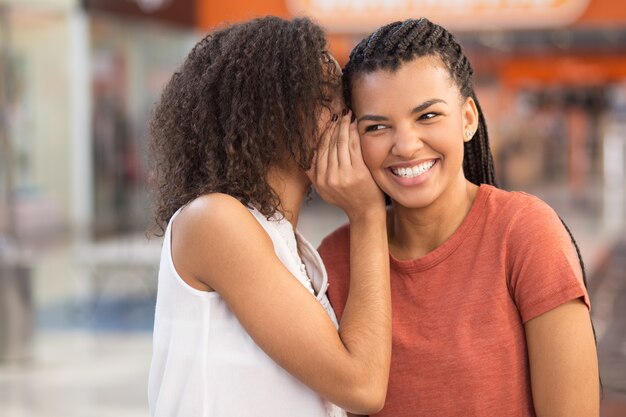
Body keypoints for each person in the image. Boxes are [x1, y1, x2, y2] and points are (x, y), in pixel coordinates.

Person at [319, 18, 599, 417]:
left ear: (467, 119)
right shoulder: (333, 259)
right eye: (377, 126)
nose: (406, 145)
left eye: (427, 116)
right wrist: (365, 218)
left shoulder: (525, 232)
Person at [147, 16, 391, 417]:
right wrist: (366, 215)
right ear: (266, 110)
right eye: (326, 96)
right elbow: (362, 385)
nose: (345, 115)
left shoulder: (284, 240)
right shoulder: (215, 219)